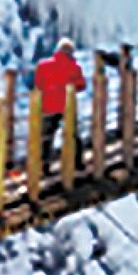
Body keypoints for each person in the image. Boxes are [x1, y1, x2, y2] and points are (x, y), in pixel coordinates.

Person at [33, 39, 86, 175]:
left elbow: (38, 84)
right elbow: (81, 85)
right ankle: (77, 163)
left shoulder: (43, 65)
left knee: (46, 137)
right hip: (67, 105)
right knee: (73, 134)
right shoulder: (74, 67)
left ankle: (43, 166)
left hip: (48, 105)